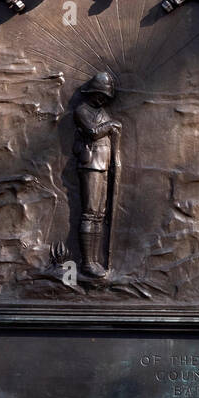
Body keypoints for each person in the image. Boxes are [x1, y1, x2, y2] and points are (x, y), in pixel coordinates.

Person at [74, 71, 121, 277]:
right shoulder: (81, 110)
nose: (102, 98)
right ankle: (87, 262)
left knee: (99, 215)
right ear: (91, 92)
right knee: (90, 213)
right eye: (99, 94)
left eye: (105, 96)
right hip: (90, 165)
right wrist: (111, 125)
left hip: (103, 165)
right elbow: (93, 132)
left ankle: (94, 262)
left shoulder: (103, 112)